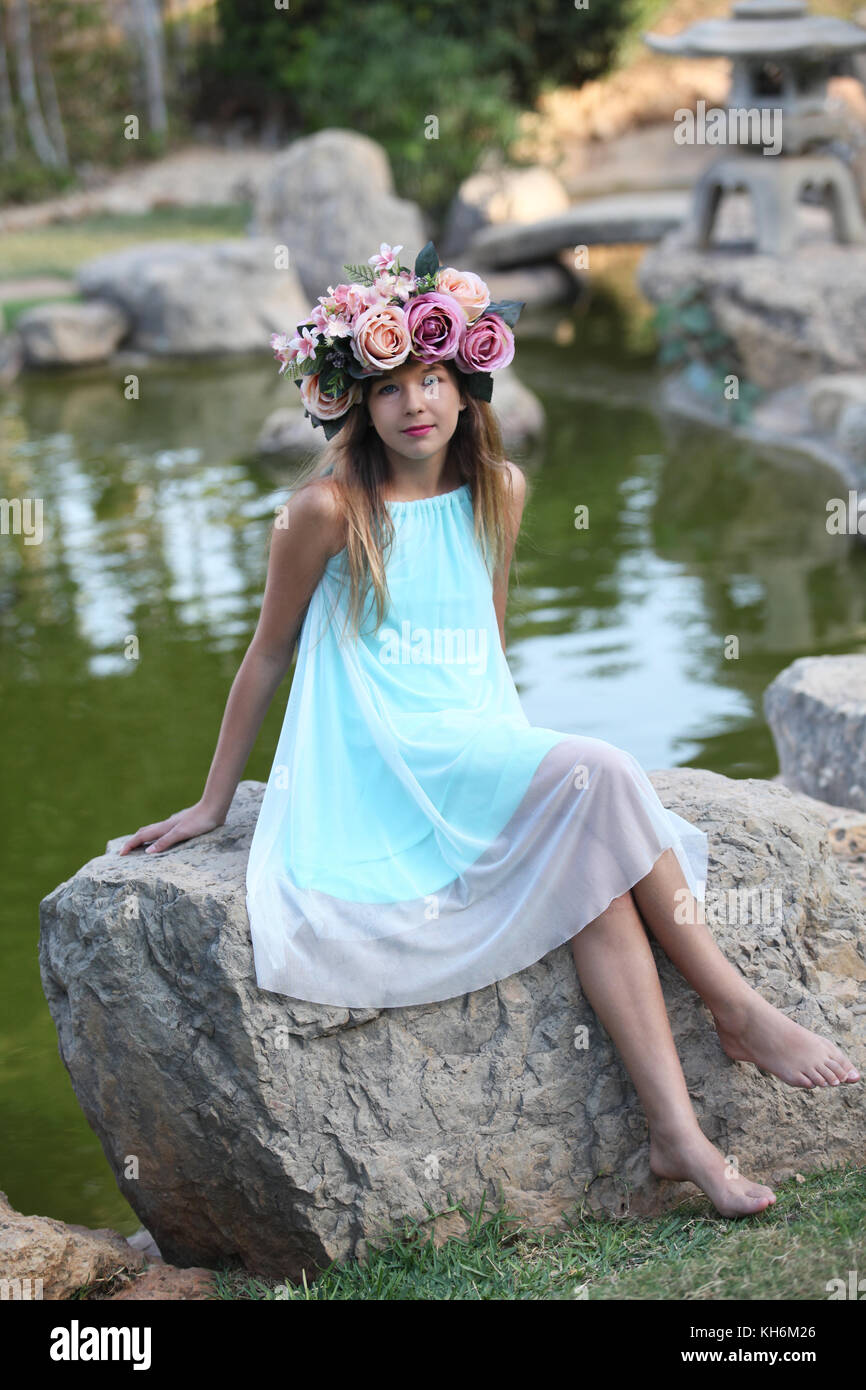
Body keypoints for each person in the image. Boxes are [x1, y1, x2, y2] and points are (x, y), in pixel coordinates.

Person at [119, 241, 859, 1220]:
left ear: (468, 387)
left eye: (433, 377)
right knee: (598, 768)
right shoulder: (325, 511)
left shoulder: (496, 493)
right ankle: (733, 1005)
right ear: (351, 401)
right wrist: (216, 802)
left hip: (469, 739)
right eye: (388, 386)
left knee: (592, 871)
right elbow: (265, 655)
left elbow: (485, 637)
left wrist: (512, 761)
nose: (414, 403)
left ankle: (677, 1138)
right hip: (385, 764)